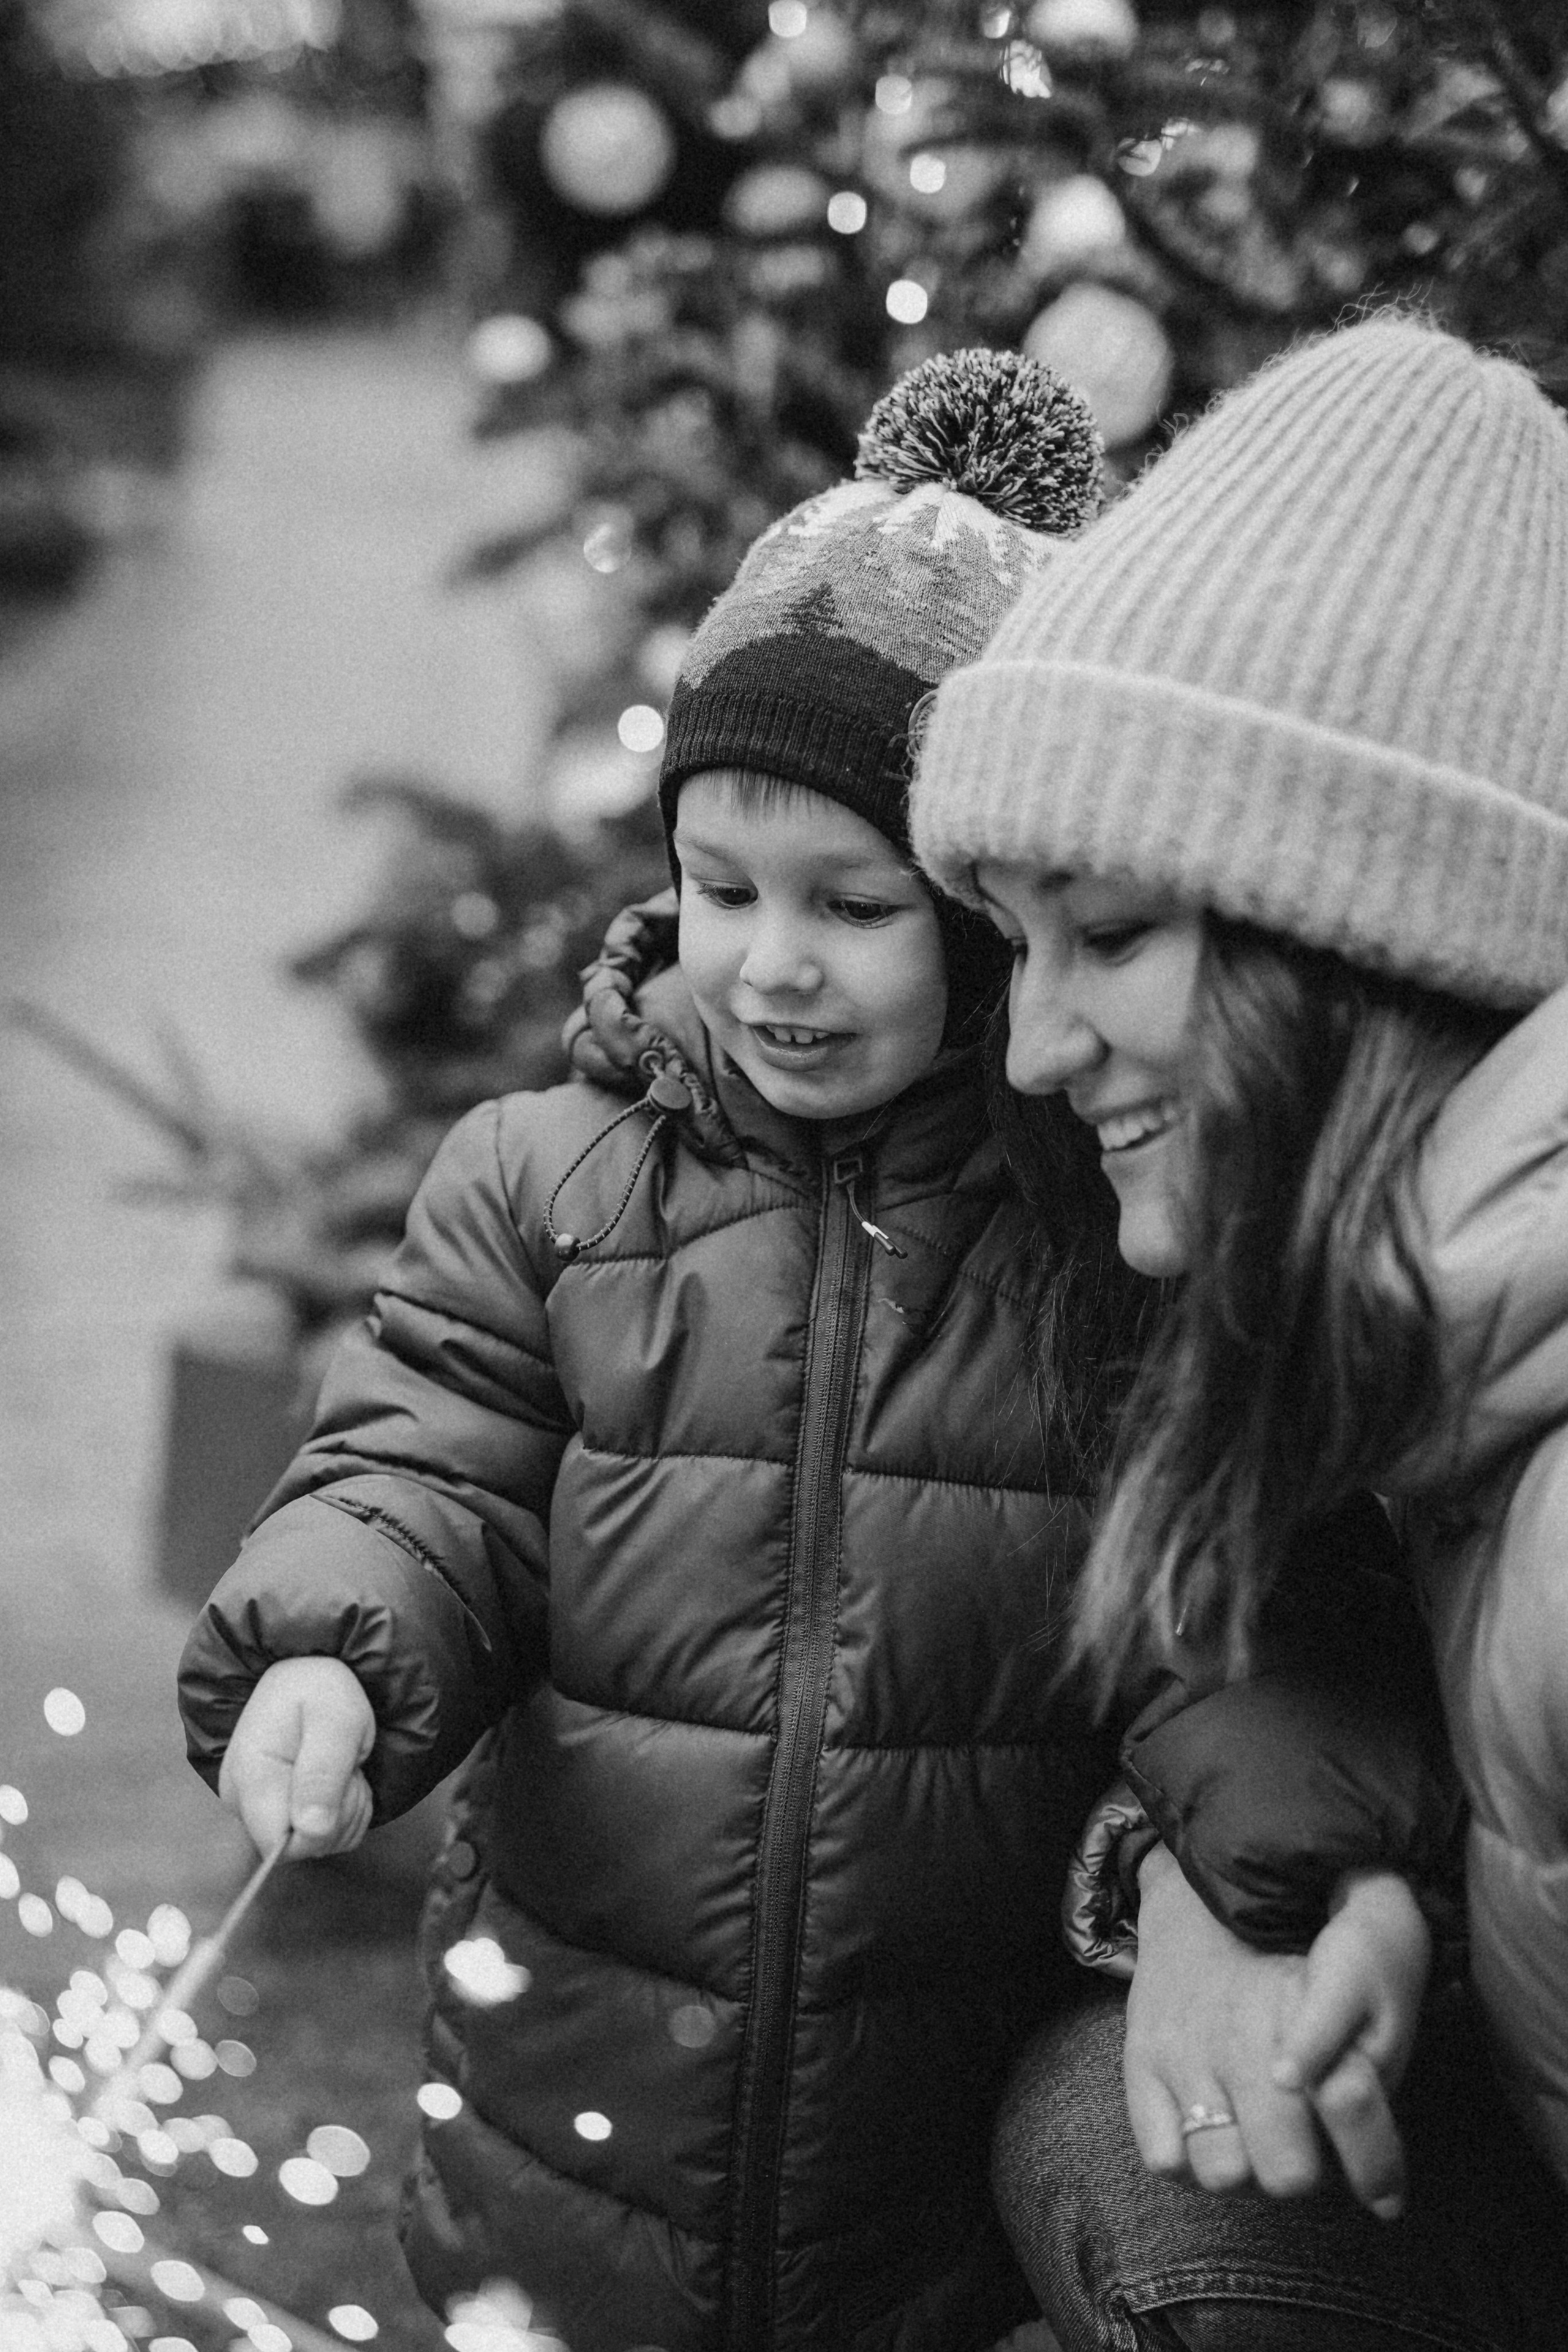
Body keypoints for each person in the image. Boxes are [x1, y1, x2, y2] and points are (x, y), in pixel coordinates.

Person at [176, 347, 1172, 2352]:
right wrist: (331, 1654)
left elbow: (1206, 1606)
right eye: (719, 888)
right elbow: (426, 1472)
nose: (770, 961)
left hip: (932, 2140)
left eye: (854, 905)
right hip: (574, 2095)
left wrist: (1272, 1860)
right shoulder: (553, 1181)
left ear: (990, 920)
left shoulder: (1099, 1243)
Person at [910, 314, 1568, 2350]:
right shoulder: (1430, 1361)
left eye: (1109, 937)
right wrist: (1266, 1888)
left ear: (1368, 945)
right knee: (1099, 2131)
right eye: (1022, 949)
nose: (1036, 1041)